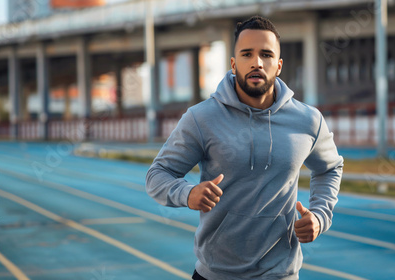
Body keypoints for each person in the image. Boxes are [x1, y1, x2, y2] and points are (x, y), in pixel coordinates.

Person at [146, 15, 343, 280]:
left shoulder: (307, 120)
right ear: (233, 63)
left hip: (281, 275)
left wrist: (319, 216)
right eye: (247, 54)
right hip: (215, 275)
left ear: (279, 65)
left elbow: (330, 168)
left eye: (266, 55)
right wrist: (188, 193)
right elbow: (157, 175)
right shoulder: (201, 118)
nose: (257, 63)